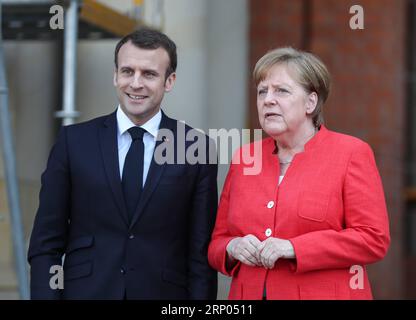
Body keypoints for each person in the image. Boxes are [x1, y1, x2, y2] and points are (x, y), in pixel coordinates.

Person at [28, 28, 218, 300]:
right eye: (128, 71)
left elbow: (200, 254)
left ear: (169, 81)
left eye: (149, 74)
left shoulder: (195, 148)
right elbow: (46, 243)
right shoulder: (74, 141)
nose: (136, 83)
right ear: (115, 75)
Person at [208, 47, 390, 300]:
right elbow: (217, 242)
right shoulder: (244, 158)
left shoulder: (350, 153)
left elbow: (373, 239)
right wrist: (232, 246)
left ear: (310, 102)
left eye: (281, 91)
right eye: (262, 91)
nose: (267, 99)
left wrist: (294, 247)